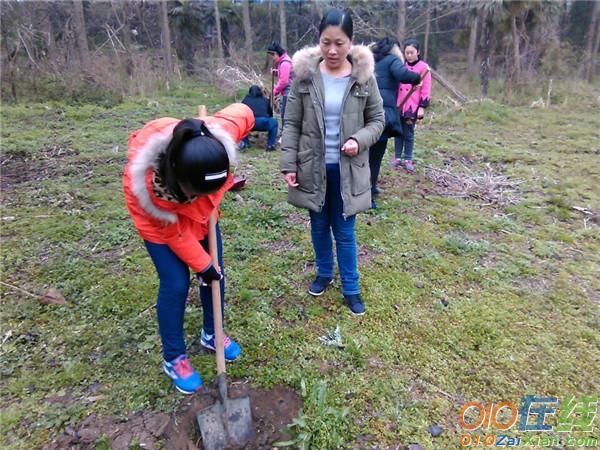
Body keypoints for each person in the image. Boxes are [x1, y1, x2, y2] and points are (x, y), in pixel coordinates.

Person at [123, 104, 254, 394]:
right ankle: (174, 358)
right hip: (162, 223)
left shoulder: (216, 139)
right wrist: (202, 264)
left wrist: (209, 268)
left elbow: (242, 113)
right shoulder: (147, 188)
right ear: (178, 180)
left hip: (204, 216)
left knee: (216, 274)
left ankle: (212, 333)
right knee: (176, 282)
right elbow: (175, 234)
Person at [280, 9, 384, 316]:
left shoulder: (364, 77)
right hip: (313, 167)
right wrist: (289, 164)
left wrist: (358, 140)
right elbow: (291, 123)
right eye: (326, 42)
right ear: (319, 40)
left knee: (345, 231)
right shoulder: (305, 76)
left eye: (340, 43)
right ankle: (324, 273)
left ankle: (351, 288)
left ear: (350, 42)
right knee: (318, 227)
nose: (332, 50)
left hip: (348, 170)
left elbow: (378, 120)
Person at [368, 37, 421, 207]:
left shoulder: (368, 59)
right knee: (375, 156)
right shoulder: (392, 60)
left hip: (364, 111)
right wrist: (416, 77)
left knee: (365, 154)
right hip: (382, 114)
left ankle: (371, 187)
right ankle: (368, 194)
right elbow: (403, 74)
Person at [393, 38, 432, 174]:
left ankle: (408, 159)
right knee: (398, 131)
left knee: (408, 133)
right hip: (399, 104)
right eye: (407, 53)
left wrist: (422, 106)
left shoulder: (423, 68)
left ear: (418, 52)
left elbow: (426, 89)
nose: (409, 55)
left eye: (411, 52)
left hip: (412, 106)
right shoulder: (400, 66)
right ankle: (397, 157)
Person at [240, 85, 278, 151]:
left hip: (249, 123)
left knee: (241, 121)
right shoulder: (265, 100)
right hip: (263, 122)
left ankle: (245, 143)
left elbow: (241, 114)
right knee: (274, 122)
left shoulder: (245, 100)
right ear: (260, 92)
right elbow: (270, 114)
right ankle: (270, 145)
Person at [267, 41, 293, 124]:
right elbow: (286, 74)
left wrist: (274, 91)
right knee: (284, 114)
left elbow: (284, 81)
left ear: (276, 54)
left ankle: (285, 134)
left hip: (289, 93)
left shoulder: (285, 63)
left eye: (272, 56)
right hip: (287, 92)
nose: (273, 59)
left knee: (285, 116)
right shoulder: (283, 61)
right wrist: (276, 72)